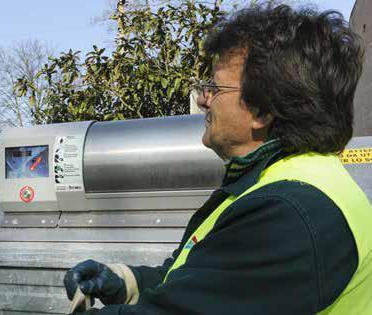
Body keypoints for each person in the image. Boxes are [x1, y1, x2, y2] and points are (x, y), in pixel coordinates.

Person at [64, 3, 372, 314]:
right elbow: (200, 283)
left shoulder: (289, 213)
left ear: (262, 111)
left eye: (214, 87)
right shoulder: (284, 183)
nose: (202, 98)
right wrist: (125, 283)